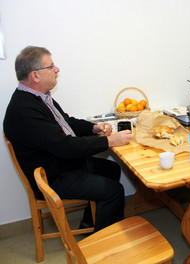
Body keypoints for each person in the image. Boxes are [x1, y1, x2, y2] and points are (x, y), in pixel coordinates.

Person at [3, 46, 132, 232]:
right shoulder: (25, 110)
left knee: (110, 169)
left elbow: (66, 122)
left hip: (60, 164)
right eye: (51, 66)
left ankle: (90, 222)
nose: (57, 70)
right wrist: (110, 141)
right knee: (113, 192)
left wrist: (92, 128)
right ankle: (102, 248)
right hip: (53, 176)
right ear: (35, 76)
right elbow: (65, 147)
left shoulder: (39, 97)